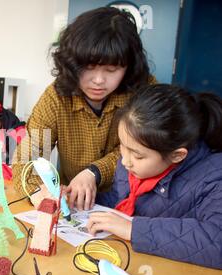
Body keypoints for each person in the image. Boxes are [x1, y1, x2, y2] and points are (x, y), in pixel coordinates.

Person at [12, 7, 152, 210]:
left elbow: (147, 149)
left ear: (128, 67)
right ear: (71, 63)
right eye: (88, 68)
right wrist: (37, 191)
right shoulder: (56, 97)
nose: (98, 80)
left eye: (111, 70)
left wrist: (94, 172)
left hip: (135, 205)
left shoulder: (144, 91)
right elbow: (29, 154)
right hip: (77, 206)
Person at [88, 84, 222, 269]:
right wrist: (84, 199)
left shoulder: (214, 177)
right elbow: (121, 199)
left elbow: (216, 242)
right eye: (122, 146)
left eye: (137, 155)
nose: (125, 161)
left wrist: (134, 230)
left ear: (177, 155)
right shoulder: (135, 163)